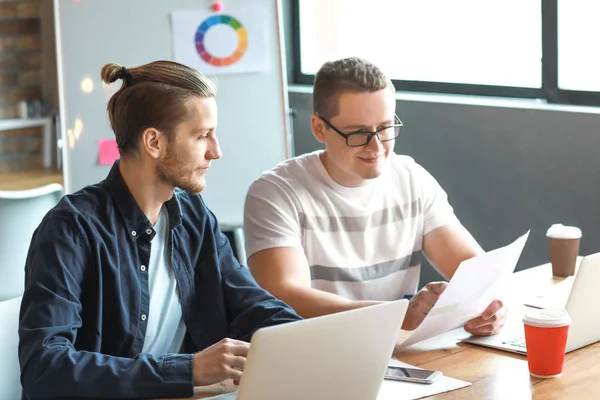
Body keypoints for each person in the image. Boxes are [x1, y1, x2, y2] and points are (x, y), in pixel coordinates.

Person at [18, 60, 301, 400]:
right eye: (203, 135)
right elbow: (44, 369)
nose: (216, 151)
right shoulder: (71, 228)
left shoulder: (193, 215)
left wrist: (312, 340)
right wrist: (189, 370)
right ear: (154, 142)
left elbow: (250, 304)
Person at [244, 57, 506, 336]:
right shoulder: (275, 193)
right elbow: (285, 295)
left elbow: (474, 270)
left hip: (398, 351)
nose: (376, 146)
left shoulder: (411, 178)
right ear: (319, 128)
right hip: (315, 352)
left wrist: (491, 305)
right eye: (358, 133)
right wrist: (395, 315)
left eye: (385, 127)